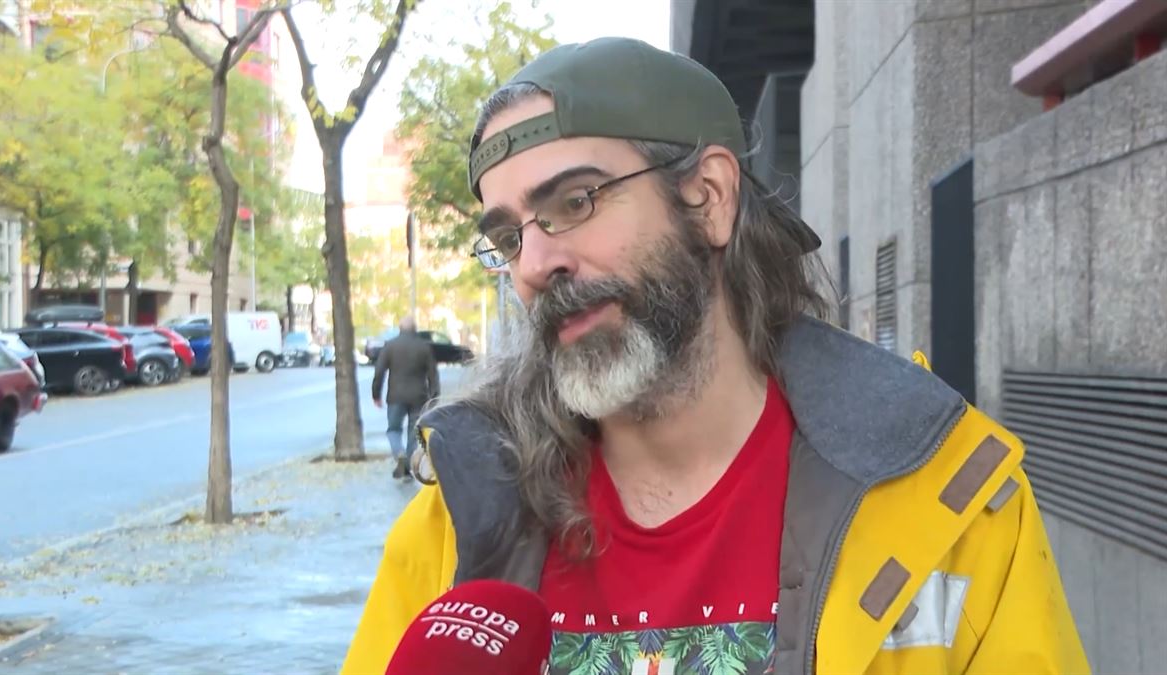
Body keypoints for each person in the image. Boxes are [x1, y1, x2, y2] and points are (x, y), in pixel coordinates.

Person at [343, 38, 1087, 675]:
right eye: (508, 237)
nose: (534, 263)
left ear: (709, 196)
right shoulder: (459, 521)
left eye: (575, 201)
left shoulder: (948, 496)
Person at [370, 317, 439, 480]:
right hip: (419, 397)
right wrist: (434, 397)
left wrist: (376, 394)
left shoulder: (390, 345)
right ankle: (407, 467)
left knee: (393, 430)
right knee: (413, 432)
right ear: (415, 329)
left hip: (395, 396)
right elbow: (433, 375)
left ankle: (399, 453)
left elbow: (379, 372)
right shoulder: (424, 347)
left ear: (400, 328)